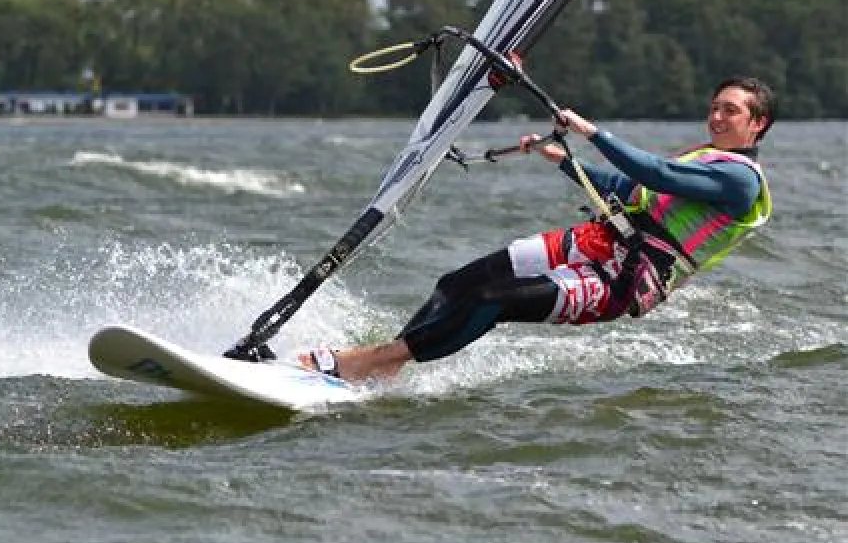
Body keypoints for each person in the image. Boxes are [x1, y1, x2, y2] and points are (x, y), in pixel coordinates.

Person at [299, 76, 775, 381]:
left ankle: (365, 363)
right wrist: (564, 160)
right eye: (715, 106)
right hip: (598, 242)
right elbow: (630, 188)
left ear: (758, 124)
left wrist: (593, 133)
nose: (716, 116)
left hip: (625, 278)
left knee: (494, 299)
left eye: (730, 110)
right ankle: (387, 365)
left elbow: (659, 175)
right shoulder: (706, 159)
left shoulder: (739, 180)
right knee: (460, 282)